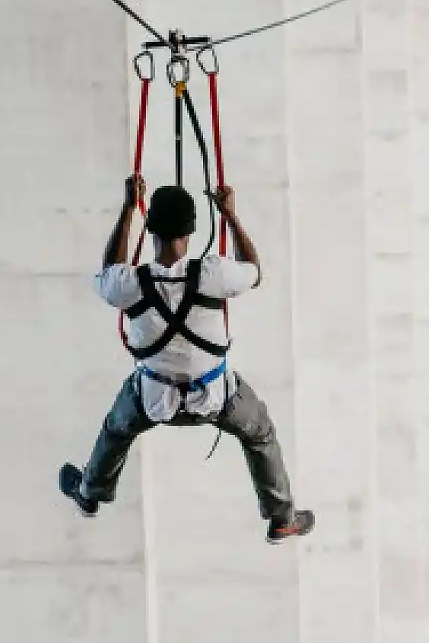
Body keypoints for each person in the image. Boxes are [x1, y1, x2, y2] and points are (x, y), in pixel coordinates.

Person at [59, 175, 315, 545]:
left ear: (150, 229)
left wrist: (128, 209)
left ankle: (90, 492)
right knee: (260, 435)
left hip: (152, 400)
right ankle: (281, 518)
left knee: (116, 430)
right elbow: (254, 271)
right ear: (192, 231)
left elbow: (109, 272)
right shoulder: (213, 273)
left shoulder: (130, 283)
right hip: (214, 396)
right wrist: (230, 216)